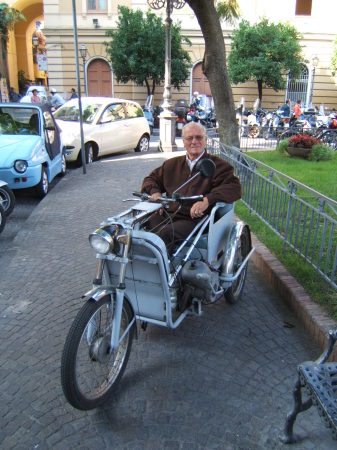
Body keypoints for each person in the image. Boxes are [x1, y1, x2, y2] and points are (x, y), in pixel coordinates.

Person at [141, 122, 242, 252]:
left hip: (195, 219)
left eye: (199, 137)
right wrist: (156, 193)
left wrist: (207, 200)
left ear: (205, 140)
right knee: (138, 226)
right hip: (169, 213)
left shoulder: (220, 166)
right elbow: (150, 179)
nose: (194, 142)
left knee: (165, 234)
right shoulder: (171, 164)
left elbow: (234, 187)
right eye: (189, 138)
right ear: (183, 142)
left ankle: (163, 270)